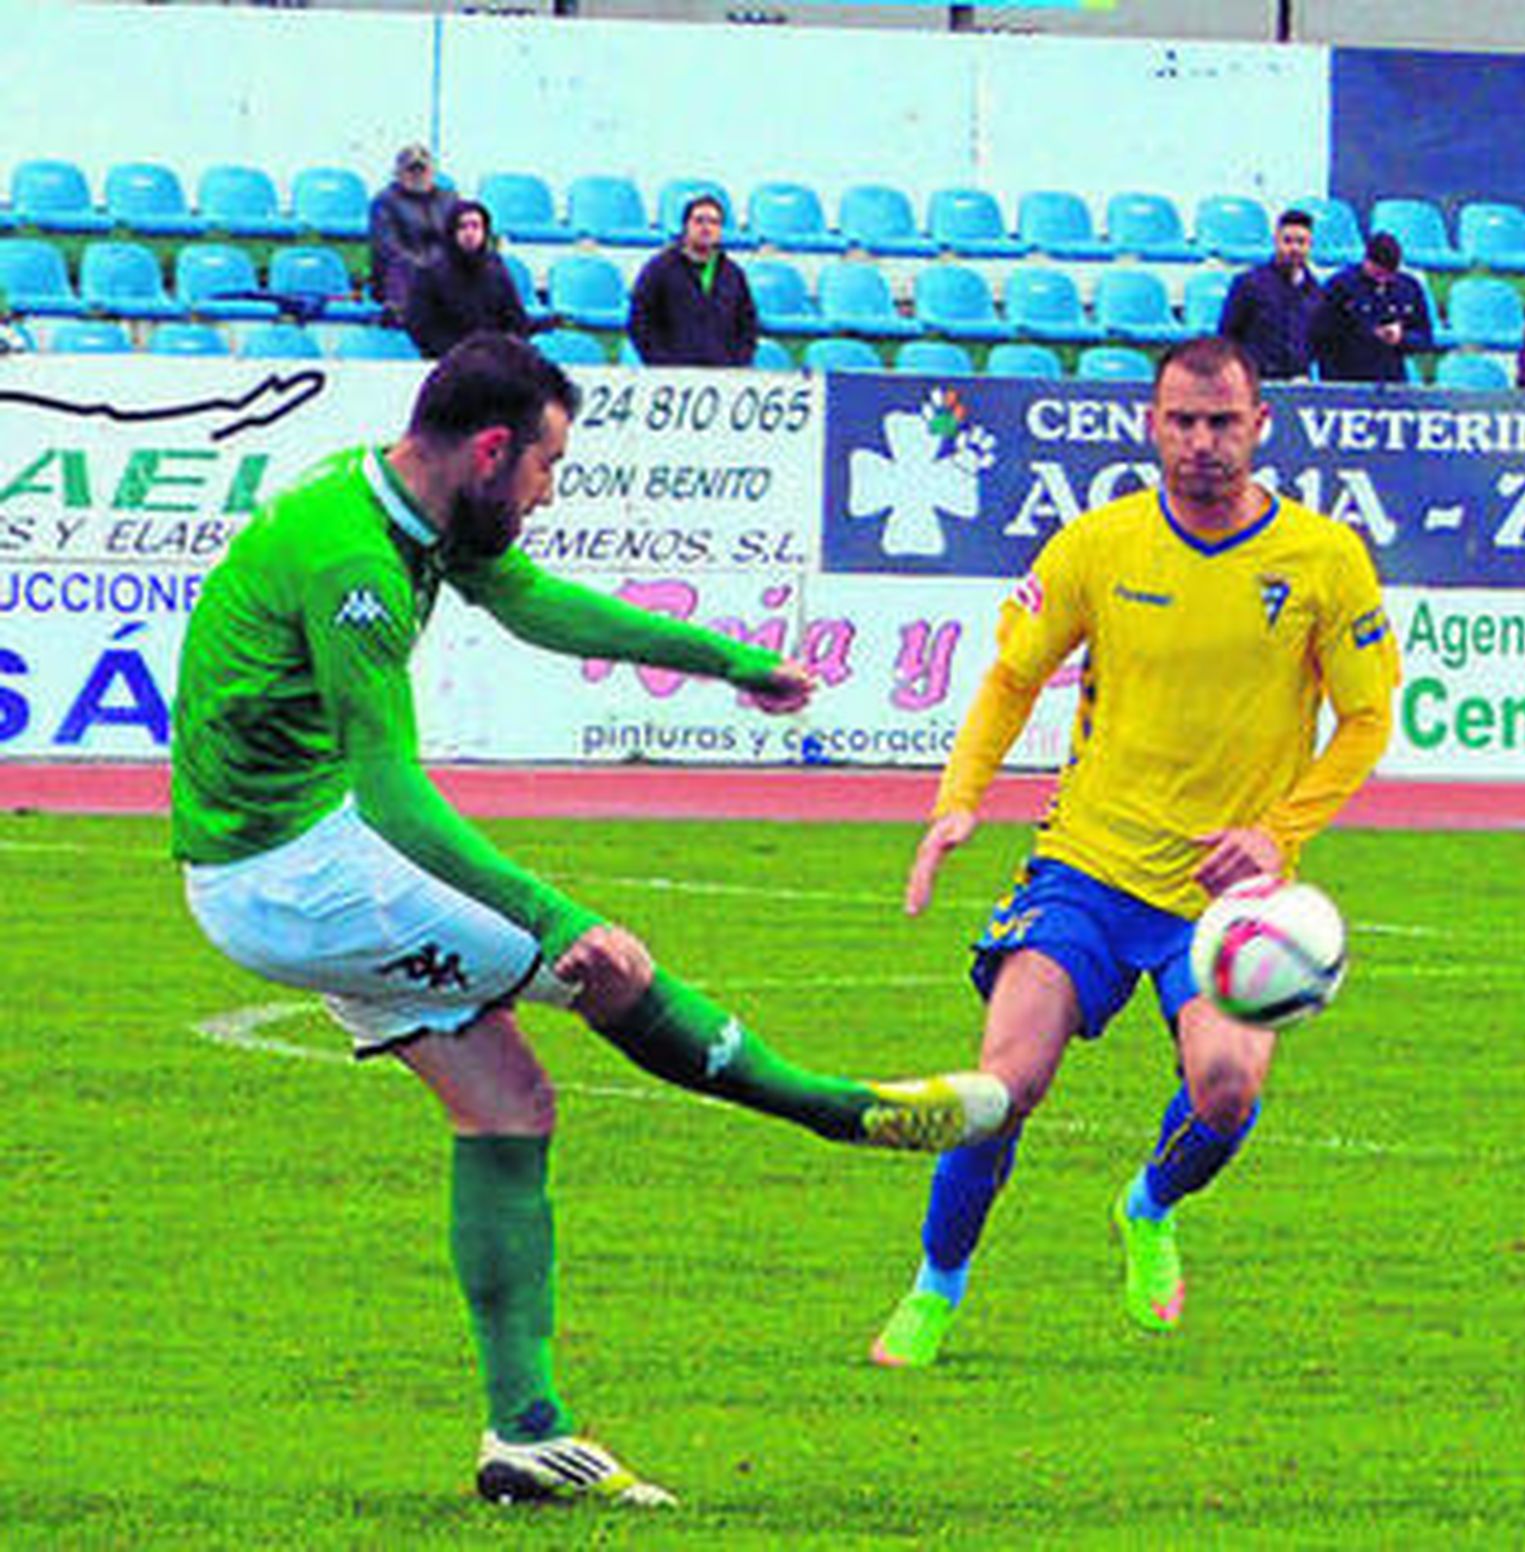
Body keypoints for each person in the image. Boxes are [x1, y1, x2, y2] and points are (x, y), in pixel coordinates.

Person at [171, 333, 1009, 1508]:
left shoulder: (410, 512)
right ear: (492, 448)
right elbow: (393, 796)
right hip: (302, 868)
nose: (548, 495)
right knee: (605, 969)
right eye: (547, 468)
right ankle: (839, 1111)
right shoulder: (348, 557)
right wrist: (555, 917)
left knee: (508, 1103)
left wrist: (724, 659)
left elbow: (535, 605)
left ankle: (524, 1434)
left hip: (273, 870)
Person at [869, 335, 1399, 1370]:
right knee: (1003, 1084)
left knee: (1227, 1090)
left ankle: (1147, 1203)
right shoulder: (1096, 545)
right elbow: (1012, 677)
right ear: (1150, 424)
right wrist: (957, 802)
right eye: (1182, 422)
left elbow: (1367, 718)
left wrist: (1276, 833)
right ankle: (935, 1285)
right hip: (1087, 867)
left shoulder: (1324, 559)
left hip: (1228, 894)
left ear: (1260, 425)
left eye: (1222, 422)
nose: (1202, 443)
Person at [626, 192, 758, 367]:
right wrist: (660, 362)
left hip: (723, 376)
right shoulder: (659, 268)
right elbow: (640, 319)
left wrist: (737, 363)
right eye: (699, 221)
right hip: (672, 377)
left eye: (714, 222)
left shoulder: (733, 274)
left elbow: (748, 324)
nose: (706, 228)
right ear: (686, 226)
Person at [405, 199, 532, 359]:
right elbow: (422, 326)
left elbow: (515, 320)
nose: (469, 233)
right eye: (463, 226)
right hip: (447, 360)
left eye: (475, 226)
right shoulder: (430, 272)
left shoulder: (496, 269)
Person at [1309, 231, 1434, 383]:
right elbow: (1320, 334)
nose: (1383, 280)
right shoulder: (1340, 286)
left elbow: (1425, 337)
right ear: (1367, 261)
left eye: (1389, 274)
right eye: (1378, 273)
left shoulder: (1409, 288)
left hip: (1391, 377)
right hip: (1346, 376)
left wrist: (1402, 338)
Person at [1218, 207, 1320, 380]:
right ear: (1275, 241)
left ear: (1310, 245)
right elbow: (1228, 337)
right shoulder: (1248, 283)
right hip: (1255, 381)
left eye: (1301, 242)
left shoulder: (1316, 291)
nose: (1294, 248)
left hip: (1298, 383)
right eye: (1287, 241)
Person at [369, 142, 457, 323]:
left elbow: (457, 239)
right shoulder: (384, 202)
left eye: (422, 169)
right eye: (411, 170)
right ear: (398, 173)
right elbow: (388, 247)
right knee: (402, 267)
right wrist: (426, 267)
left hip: (443, 273)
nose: (417, 175)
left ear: (432, 172)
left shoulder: (450, 200)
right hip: (403, 275)